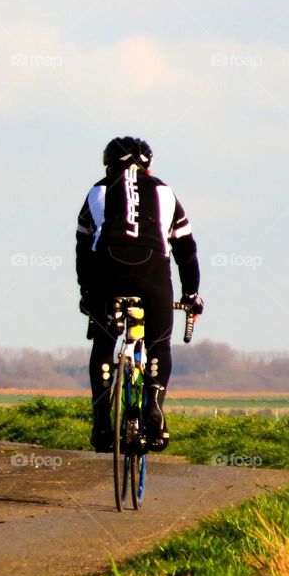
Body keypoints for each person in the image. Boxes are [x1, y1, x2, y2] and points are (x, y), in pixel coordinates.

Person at [76, 136, 203, 453]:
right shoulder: (165, 192)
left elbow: (83, 249)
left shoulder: (98, 190)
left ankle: (103, 425)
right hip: (153, 272)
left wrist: (88, 294)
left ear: (108, 164)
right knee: (159, 343)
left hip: (109, 270)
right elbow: (185, 250)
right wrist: (191, 294)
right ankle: (154, 411)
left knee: (104, 342)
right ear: (148, 165)